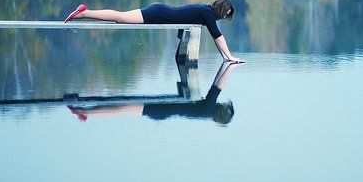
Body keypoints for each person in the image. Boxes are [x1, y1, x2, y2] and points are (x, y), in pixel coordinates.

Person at [64, 0, 245, 63]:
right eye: (226, 13)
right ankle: (84, 12)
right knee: (119, 18)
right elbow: (217, 36)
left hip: (159, 10)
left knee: (120, 17)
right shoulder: (208, 14)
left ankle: (84, 12)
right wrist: (230, 57)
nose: (225, 16)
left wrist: (226, 57)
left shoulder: (206, 11)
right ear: (221, 10)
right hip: (158, 14)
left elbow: (216, 38)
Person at [68, 61, 243, 125]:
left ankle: (87, 111)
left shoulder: (208, 109)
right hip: (161, 112)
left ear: (221, 109)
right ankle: (86, 111)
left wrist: (229, 64)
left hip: (161, 109)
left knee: (122, 107)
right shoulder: (205, 114)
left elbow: (217, 85)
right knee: (122, 107)